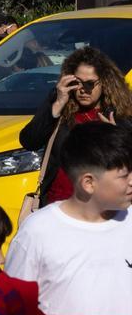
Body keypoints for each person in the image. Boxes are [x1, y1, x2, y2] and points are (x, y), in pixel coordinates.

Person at [5, 121, 132, 315]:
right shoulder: (38, 232)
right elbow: (13, 307)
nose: (131, 182)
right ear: (88, 183)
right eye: (125, 176)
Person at [19, 46, 132, 206]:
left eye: (89, 84)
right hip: (58, 205)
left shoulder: (120, 115)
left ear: (104, 83)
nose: (82, 90)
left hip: (102, 208)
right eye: (76, 83)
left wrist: (118, 139)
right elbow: (29, 141)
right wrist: (57, 104)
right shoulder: (61, 108)